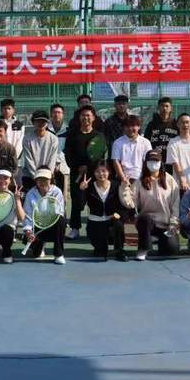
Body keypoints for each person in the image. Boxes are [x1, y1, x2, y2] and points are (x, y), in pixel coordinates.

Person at [132, 151, 180, 260]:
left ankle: (162, 243)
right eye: (150, 160)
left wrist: (173, 224)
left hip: (166, 224)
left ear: (161, 162)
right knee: (145, 218)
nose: (153, 163)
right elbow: (131, 202)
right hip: (147, 224)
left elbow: (175, 205)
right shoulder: (139, 181)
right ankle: (143, 249)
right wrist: (124, 188)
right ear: (146, 163)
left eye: (156, 160)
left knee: (172, 250)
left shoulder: (170, 180)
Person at [65, 104, 103, 240]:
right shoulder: (72, 135)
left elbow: (100, 157)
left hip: (94, 176)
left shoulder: (99, 136)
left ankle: (94, 227)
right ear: (79, 117)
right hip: (76, 175)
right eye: (83, 115)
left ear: (93, 118)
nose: (85, 118)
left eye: (88, 115)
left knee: (94, 201)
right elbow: (68, 154)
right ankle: (75, 228)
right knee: (77, 202)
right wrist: (77, 167)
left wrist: (90, 168)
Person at [20, 168, 67, 264]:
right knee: (36, 254)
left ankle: (58, 254)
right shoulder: (30, 194)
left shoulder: (57, 192)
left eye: (45, 179)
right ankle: (40, 244)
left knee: (61, 220)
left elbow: (59, 212)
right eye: (39, 179)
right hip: (37, 227)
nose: (42, 182)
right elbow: (27, 215)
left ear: (50, 180)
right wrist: (28, 231)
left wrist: (47, 222)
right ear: (36, 180)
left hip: (52, 225)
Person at [83, 162, 127, 261]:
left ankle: (119, 250)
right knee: (100, 253)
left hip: (111, 220)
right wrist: (82, 190)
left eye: (104, 171)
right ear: (93, 173)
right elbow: (80, 204)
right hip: (95, 222)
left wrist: (118, 215)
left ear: (109, 172)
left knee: (118, 224)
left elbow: (124, 206)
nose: (101, 174)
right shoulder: (89, 186)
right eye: (97, 171)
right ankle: (100, 247)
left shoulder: (116, 185)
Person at [20, 110, 59, 192]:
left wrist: (46, 176)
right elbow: (29, 160)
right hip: (30, 177)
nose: (41, 123)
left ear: (47, 123)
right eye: (38, 121)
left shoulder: (53, 139)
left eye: (43, 121)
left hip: (48, 177)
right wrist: (37, 177)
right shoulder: (27, 138)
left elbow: (52, 160)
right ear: (33, 122)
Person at [111, 114, 152, 184]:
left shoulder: (146, 142)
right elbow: (116, 161)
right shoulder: (117, 142)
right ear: (123, 128)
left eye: (133, 125)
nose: (130, 128)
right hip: (123, 179)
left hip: (141, 179)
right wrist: (123, 179)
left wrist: (143, 177)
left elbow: (147, 161)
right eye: (127, 126)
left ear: (139, 127)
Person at [144, 97, 179, 166]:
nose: (164, 108)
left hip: (172, 160)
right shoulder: (152, 124)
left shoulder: (175, 124)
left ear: (171, 108)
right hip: (155, 160)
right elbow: (146, 141)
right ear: (158, 107)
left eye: (167, 106)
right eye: (162, 106)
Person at [48, 103, 70, 193]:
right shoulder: (45, 130)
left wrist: (58, 160)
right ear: (50, 114)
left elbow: (68, 148)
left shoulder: (68, 130)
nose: (56, 114)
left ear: (63, 115)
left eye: (59, 112)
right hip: (48, 166)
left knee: (64, 194)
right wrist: (53, 162)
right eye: (54, 112)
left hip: (64, 166)